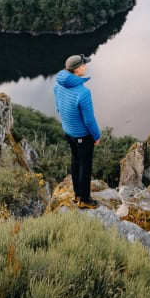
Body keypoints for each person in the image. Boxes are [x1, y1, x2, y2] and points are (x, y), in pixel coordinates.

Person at [54, 53, 101, 208]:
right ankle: (85, 200)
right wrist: (97, 136)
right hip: (82, 135)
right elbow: (89, 120)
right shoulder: (83, 93)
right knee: (85, 166)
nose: (85, 67)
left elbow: (58, 107)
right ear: (76, 69)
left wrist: (68, 123)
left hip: (68, 131)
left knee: (75, 161)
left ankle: (77, 195)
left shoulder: (58, 84)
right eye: (83, 65)